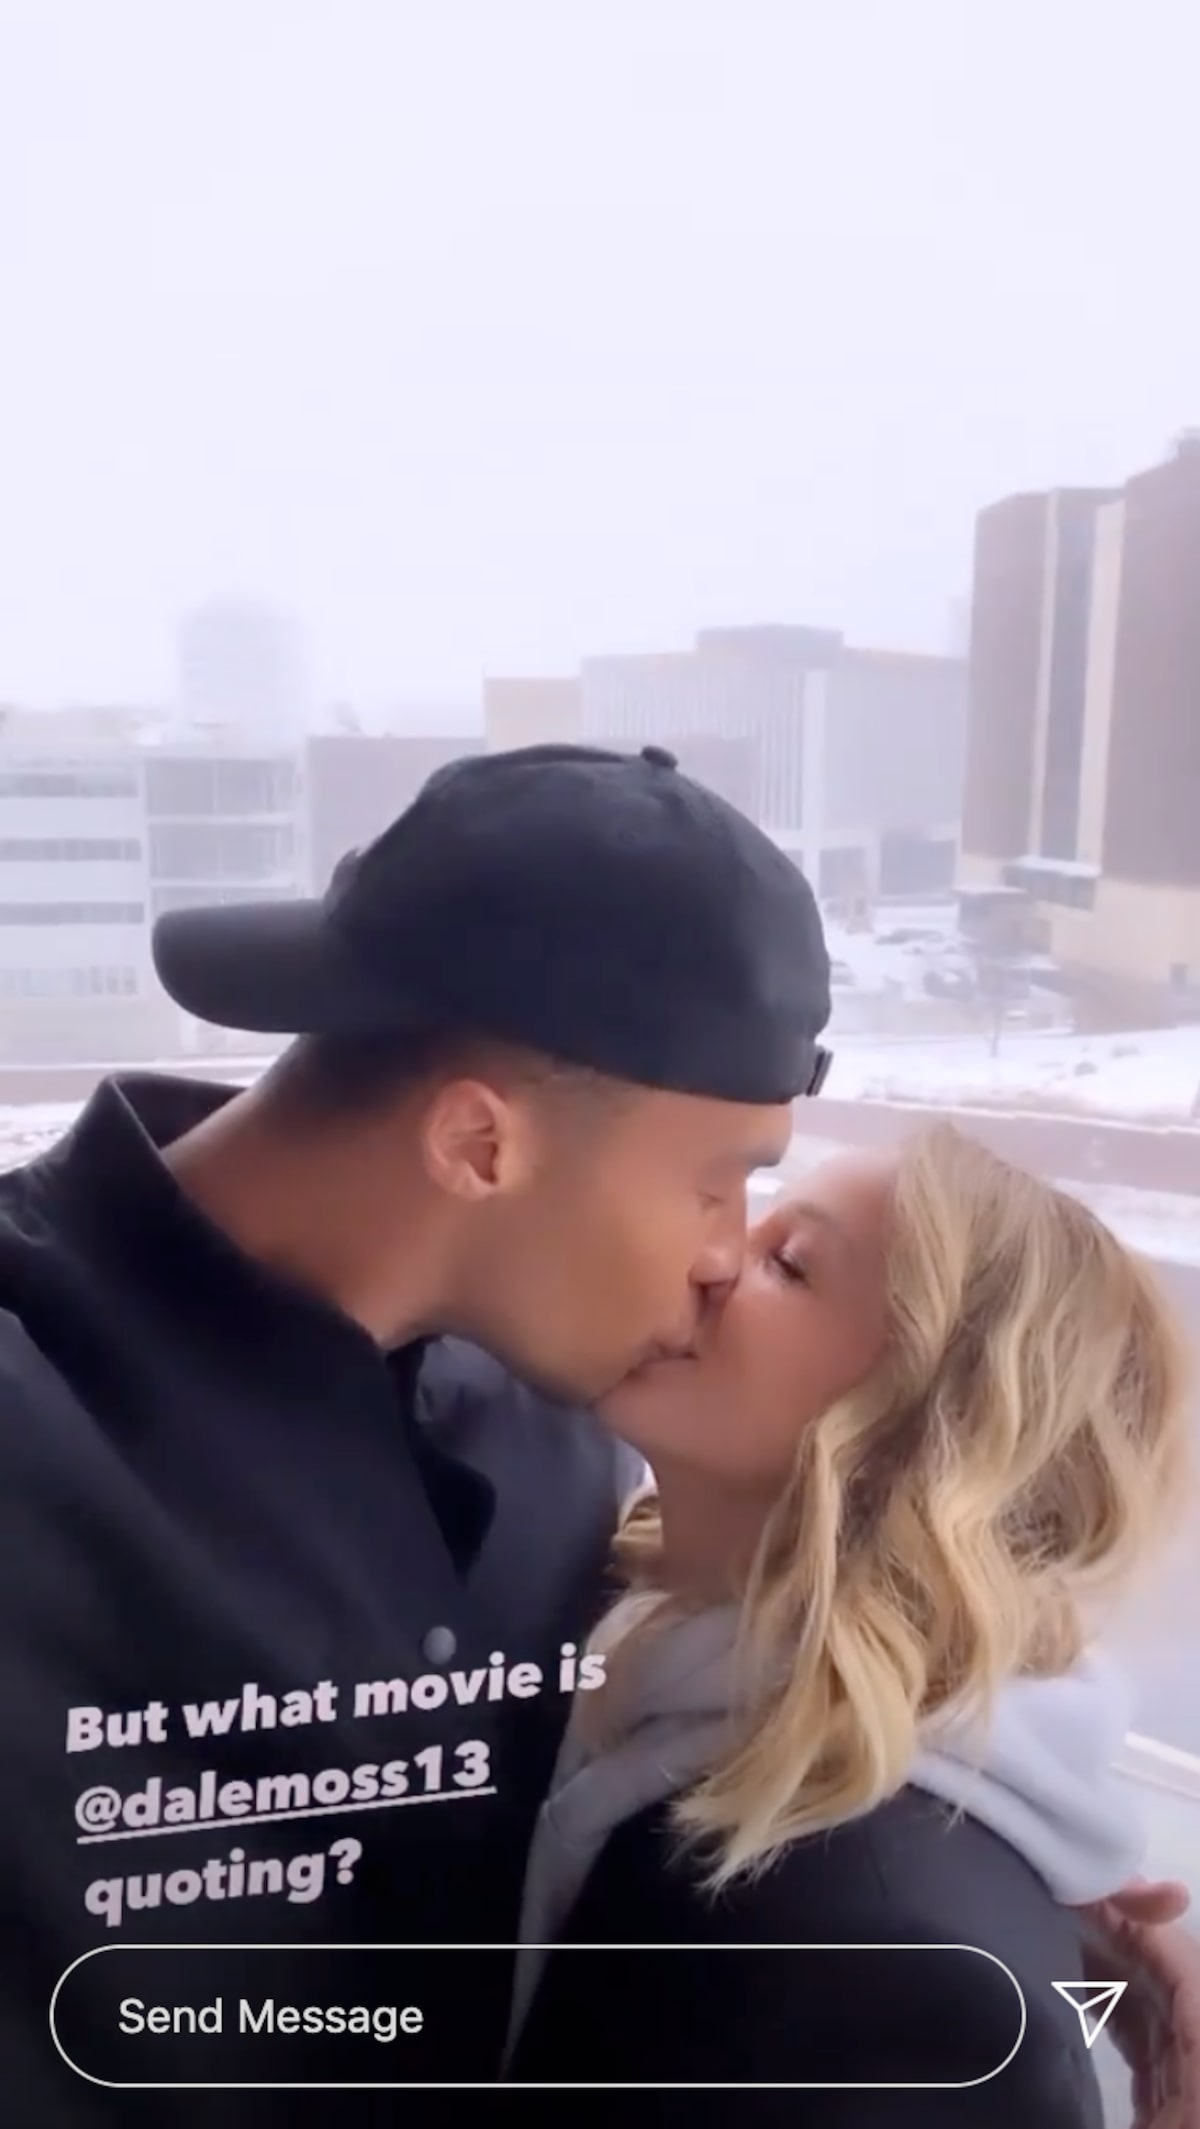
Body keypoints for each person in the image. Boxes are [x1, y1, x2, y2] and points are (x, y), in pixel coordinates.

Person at [0, 742, 833, 2124]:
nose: (727, 1257)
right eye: (715, 1184)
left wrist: (1009, 1896)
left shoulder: (565, 1440)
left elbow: (739, 1700)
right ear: (478, 1145)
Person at [506, 1127, 1193, 2123]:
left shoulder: (890, 1957)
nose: (707, 1256)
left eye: (787, 1262)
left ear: (929, 1427)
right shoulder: (624, 1636)